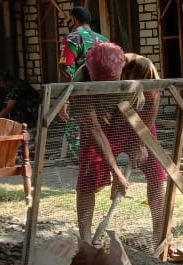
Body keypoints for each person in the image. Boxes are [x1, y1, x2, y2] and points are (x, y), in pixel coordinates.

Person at [71, 42, 167, 250]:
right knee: (89, 175)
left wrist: (139, 141)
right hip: (101, 122)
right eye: (100, 82)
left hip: (136, 118)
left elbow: (153, 101)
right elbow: (93, 128)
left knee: (156, 172)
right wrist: (116, 172)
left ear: (122, 68)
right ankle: (86, 243)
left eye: (111, 81)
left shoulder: (142, 66)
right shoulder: (80, 80)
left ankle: (160, 238)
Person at [58, 5, 109, 83]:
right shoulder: (105, 40)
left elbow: (66, 70)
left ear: (73, 20)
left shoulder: (72, 39)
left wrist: (62, 93)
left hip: (81, 91)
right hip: (103, 90)